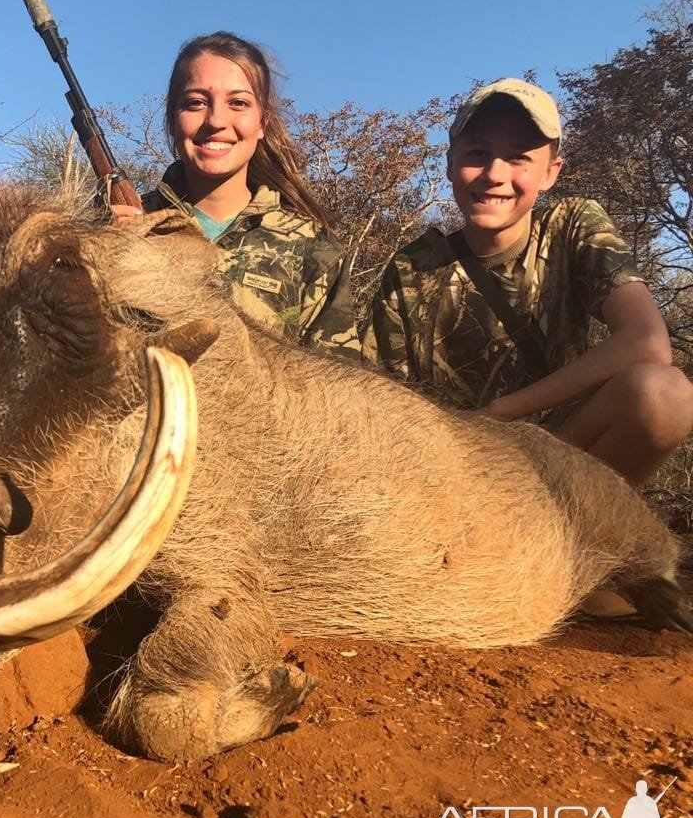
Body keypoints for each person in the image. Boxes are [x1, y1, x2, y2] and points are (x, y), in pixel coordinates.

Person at [363, 78, 693, 487]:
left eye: (519, 157)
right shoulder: (411, 268)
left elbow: (648, 342)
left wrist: (502, 412)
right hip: (455, 470)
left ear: (551, 172)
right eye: (477, 154)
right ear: (449, 164)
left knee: (664, 394)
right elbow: (382, 401)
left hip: (559, 459)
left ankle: (591, 537)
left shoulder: (573, 225)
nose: (494, 174)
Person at [113, 31, 359, 359]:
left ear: (262, 123)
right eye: (196, 103)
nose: (216, 120)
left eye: (238, 103)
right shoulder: (119, 229)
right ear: (173, 120)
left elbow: (338, 392)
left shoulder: (315, 249)